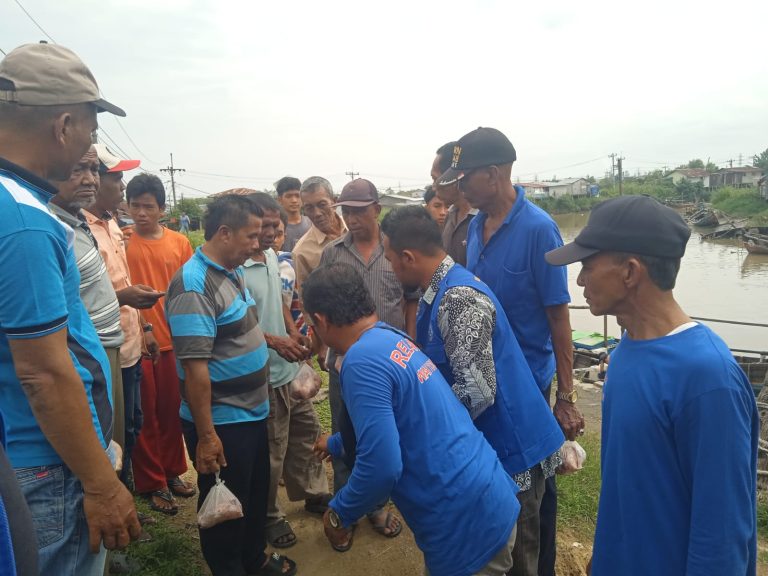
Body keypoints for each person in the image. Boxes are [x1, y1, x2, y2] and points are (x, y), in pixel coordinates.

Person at [545, 195, 758, 575]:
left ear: (630, 272)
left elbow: (722, 534)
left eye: (588, 265)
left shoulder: (708, 378)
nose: (579, 280)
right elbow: (629, 483)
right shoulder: (628, 350)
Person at [0, 42, 140, 575]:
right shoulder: (25, 219)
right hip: (49, 466)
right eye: (91, 128)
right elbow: (43, 372)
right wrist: (102, 484)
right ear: (63, 125)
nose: (91, 142)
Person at [381, 206, 565, 574]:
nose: (390, 269)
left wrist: (428, 426)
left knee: (520, 559)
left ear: (407, 257)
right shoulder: (437, 292)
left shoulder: (458, 299)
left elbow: (478, 393)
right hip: (499, 445)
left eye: (389, 259)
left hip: (515, 449)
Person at [307, 263, 519, 575]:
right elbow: (408, 419)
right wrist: (337, 443)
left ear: (321, 321)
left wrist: (340, 512)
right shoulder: (390, 338)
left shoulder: (360, 360)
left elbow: (382, 466)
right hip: (488, 494)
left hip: (464, 524)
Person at [438, 127, 584, 575]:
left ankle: (542, 567)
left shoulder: (539, 229)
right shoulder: (477, 226)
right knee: (513, 480)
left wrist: (566, 394)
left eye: (464, 179)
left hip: (532, 382)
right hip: (491, 379)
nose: (459, 187)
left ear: (494, 174)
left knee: (541, 483)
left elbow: (559, 319)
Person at [166, 194, 296, 576]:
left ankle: (254, 560)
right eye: (251, 236)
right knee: (225, 509)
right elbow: (196, 369)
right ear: (224, 233)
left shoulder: (231, 269)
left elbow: (246, 328)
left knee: (253, 496)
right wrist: (207, 436)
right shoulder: (193, 285)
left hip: (250, 412)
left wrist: (275, 342)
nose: (259, 244)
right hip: (222, 422)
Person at [317, 178, 420, 542]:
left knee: (384, 438)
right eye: (347, 211)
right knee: (348, 436)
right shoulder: (333, 253)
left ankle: (379, 505)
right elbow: (322, 307)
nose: (354, 218)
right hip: (345, 364)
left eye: (360, 211)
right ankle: (346, 511)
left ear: (377, 209)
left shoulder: (395, 252)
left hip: (389, 365)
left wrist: (411, 341)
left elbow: (410, 299)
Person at [242, 193, 331, 549]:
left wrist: (297, 336)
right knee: (273, 451)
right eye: (262, 226)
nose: (269, 233)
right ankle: (268, 515)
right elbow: (238, 322)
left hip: (288, 369)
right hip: (262, 375)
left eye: (274, 226)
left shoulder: (274, 260)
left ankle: (313, 492)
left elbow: (285, 304)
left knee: (307, 435)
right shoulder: (234, 268)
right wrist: (276, 342)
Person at [86, 143, 162, 487]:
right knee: (111, 429)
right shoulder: (80, 230)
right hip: (105, 348)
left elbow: (125, 280)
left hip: (131, 344)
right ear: (94, 179)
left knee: (133, 422)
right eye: (115, 178)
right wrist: (124, 297)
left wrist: (146, 327)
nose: (121, 186)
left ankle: (128, 492)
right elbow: (81, 299)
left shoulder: (112, 225)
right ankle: (119, 495)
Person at [49, 145, 128, 454]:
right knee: (99, 446)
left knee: (114, 438)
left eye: (94, 170)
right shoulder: (51, 225)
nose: (89, 180)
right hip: (84, 356)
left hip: (108, 347)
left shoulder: (78, 220)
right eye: (77, 170)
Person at [125, 173, 195, 514]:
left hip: (175, 340)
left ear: (161, 209)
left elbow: (188, 288)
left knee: (171, 412)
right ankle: (152, 481)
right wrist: (146, 326)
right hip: (140, 341)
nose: (140, 213)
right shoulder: (123, 242)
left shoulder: (179, 242)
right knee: (145, 415)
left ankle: (173, 472)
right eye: (135, 205)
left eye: (147, 206)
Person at [292, 176, 346, 290]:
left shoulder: (354, 229)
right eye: (309, 208)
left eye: (322, 204)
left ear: (335, 202)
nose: (316, 213)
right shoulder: (301, 253)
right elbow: (306, 303)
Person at [431, 141, 477, 266]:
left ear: (453, 177)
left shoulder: (483, 219)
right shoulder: (450, 215)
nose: (434, 187)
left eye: (436, 179)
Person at [276, 176, 311, 252]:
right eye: (289, 196)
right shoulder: (275, 226)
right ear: (279, 200)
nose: (294, 200)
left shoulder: (312, 224)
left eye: (297, 196)